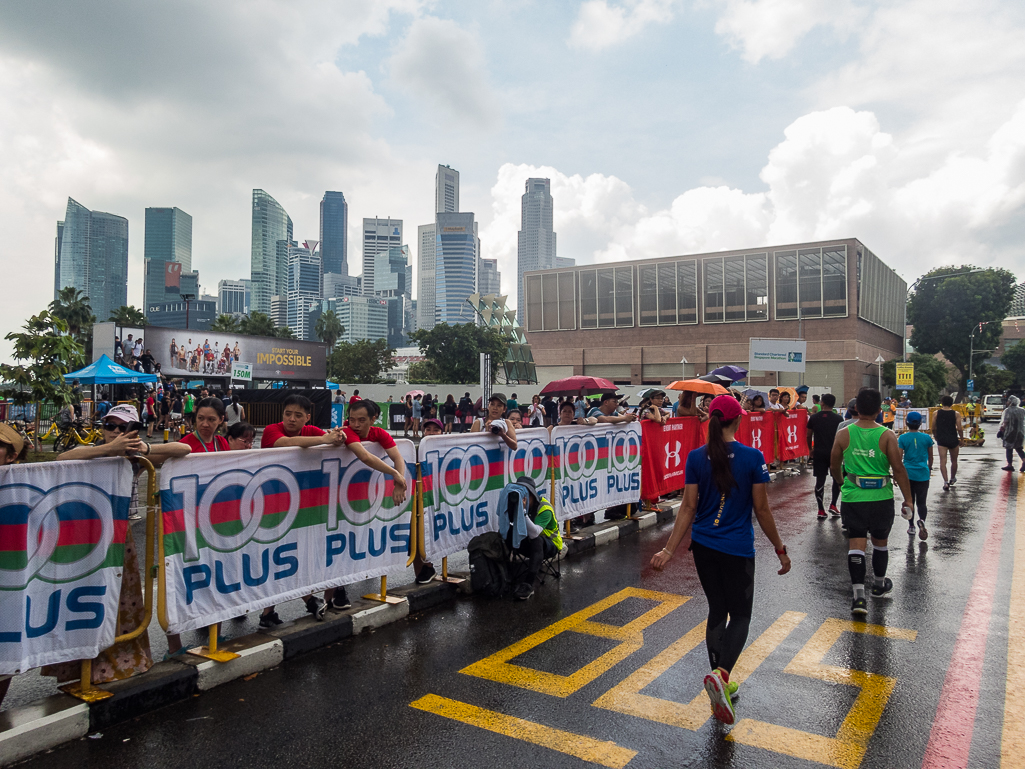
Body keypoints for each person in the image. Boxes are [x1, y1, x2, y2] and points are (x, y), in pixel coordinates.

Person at [650, 395, 791, 725]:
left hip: (703, 546)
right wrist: (780, 549)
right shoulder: (752, 457)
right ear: (737, 421)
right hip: (737, 548)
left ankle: (718, 679)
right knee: (740, 615)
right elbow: (762, 509)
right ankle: (722, 677)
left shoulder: (697, 457)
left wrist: (668, 550)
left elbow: (687, 507)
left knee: (717, 609)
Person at [48, 405, 190, 676]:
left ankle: (120, 663)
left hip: (120, 538)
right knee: (84, 600)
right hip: (83, 538)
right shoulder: (91, 454)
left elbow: (183, 450)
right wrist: (106, 450)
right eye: (109, 426)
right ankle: (78, 665)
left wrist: (144, 449)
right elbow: (64, 456)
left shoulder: (137, 458)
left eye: (122, 428)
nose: (114, 432)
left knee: (123, 600)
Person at [259, 395, 347, 625]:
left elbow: (332, 439)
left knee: (295, 555)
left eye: (298, 415)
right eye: (288, 413)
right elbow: (284, 444)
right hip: (271, 506)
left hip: (302, 506)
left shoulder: (312, 431)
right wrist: (324, 439)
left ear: (307, 418)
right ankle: (295, 605)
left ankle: (275, 611)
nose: (291, 419)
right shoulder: (271, 430)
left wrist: (337, 437)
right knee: (274, 558)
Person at [829, 388, 914, 616]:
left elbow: (834, 466)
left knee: (856, 544)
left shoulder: (844, 434)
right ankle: (878, 584)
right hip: (881, 498)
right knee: (880, 542)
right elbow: (898, 469)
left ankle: (858, 598)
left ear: (856, 409)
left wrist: (841, 482)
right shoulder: (887, 435)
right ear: (879, 410)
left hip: (853, 497)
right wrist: (908, 499)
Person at [504, 476, 563, 601]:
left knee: (537, 540)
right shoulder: (518, 504)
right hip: (531, 545)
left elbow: (534, 533)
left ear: (531, 495)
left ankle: (528, 585)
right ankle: (505, 575)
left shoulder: (544, 508)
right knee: (506, 533)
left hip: (550, 545)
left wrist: (523, 513)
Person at [807, 393, 843, 519]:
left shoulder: (814, 418)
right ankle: (833, 504)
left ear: (822, 403)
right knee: (837, 478)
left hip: (819, 452)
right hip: (835, 452)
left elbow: (808, 434)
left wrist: (810, 449)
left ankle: (820, 509)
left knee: (820, 480)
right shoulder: (839, 419)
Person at [898, 411, 933, 540]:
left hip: (907, 474)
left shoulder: (902, 438)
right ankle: (922, 520)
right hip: (923, 473)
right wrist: (928, 468)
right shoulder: (927, 438)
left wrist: (897, 474)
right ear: (920, 423)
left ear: (907, 423)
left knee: (909, 501)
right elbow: (930, 456)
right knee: (922, 502)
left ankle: (911, 526)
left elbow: (899, 457)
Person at [933, 395, 963, 490]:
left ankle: (945, 482)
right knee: (954, 460)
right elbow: (959, 428)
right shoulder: (956, 414)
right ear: (952, 403)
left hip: (942, 439)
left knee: (943, 461)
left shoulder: (936, 413)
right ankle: (953, 478)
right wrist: (961, 439)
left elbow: (933, 427)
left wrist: (936, 436)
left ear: (942, 403)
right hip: (953, 439)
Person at [999, 395, 1025, 472]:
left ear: (1011, 402)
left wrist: (1001, 430)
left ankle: (1010, 465)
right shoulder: (1022, 410)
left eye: (1008, 401)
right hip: (1020, 432)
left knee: (1009, 448)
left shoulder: (1008, 410)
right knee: (1019, 448)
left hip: (1010, 433)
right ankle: (1024, 460)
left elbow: (1005, 422)